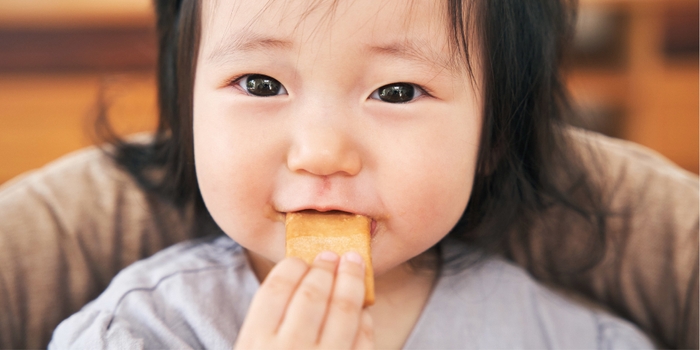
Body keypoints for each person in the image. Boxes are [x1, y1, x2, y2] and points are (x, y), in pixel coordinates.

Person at [48, 0, 666, 348]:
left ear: (493, 139)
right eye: (261, 84)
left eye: (397, 91)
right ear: (184, 113)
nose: (321, 152)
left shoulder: (565, 338)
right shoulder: (137, 332)